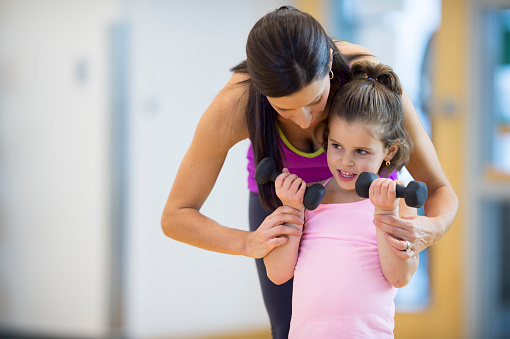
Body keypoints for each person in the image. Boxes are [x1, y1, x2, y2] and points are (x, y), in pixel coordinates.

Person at [161, 6, 458, 339]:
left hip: (368, 197)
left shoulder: (368, 79)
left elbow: (437, 187)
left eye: (317, 101)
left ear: (330, 66)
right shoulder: (234, 106)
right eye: (284, 109)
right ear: (261, 90)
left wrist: (431, 228)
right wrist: (249, 243)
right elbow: (176, 215)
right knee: (286, 327)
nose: (305, 120)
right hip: (285, 199)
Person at [264, 61, 419, 338]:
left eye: (361, 151)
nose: (345, 160)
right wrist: (290, 208)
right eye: (337, 146)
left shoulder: (398, 202)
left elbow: (400, 276)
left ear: (389, 151)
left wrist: (384, 212)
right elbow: (277, 273)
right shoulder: (309, 198)